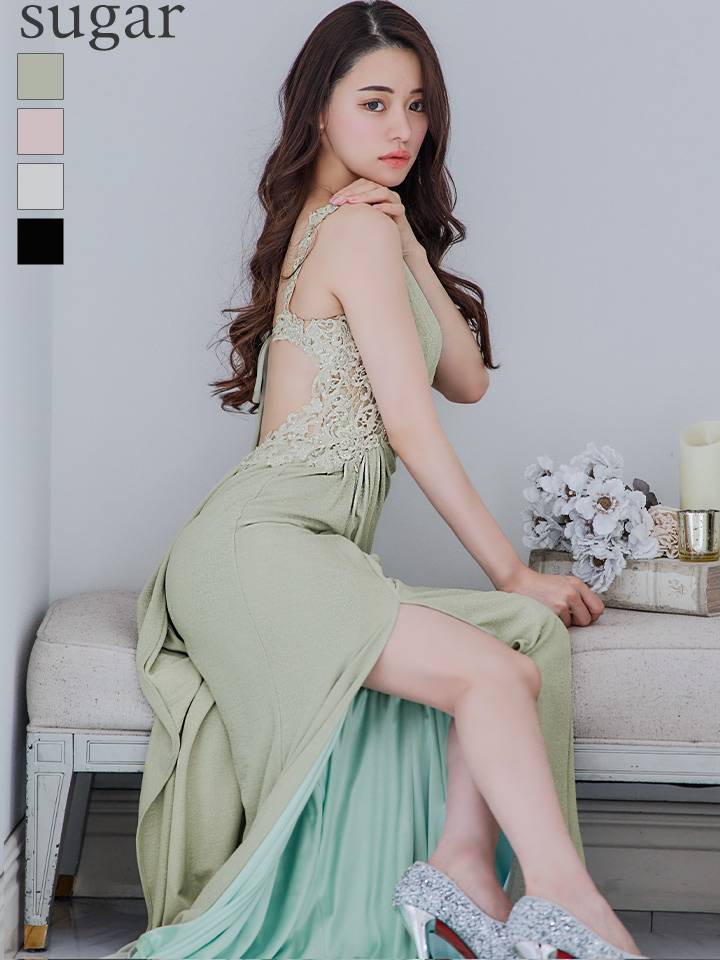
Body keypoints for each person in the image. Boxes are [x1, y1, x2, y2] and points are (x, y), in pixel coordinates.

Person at [108, 3, 647, 959]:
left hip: (296, 550)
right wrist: (512, 571)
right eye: (374, 102)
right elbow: (412, 423)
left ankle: (464, 873)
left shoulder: (361, 227)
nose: (403, 128)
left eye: (418, 104)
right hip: (260, 548)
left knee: (518, 650)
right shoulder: (345, 232)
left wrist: (409, 245)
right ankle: (571, 905)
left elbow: (467, 379)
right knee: (499, 664)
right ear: (319, 109)